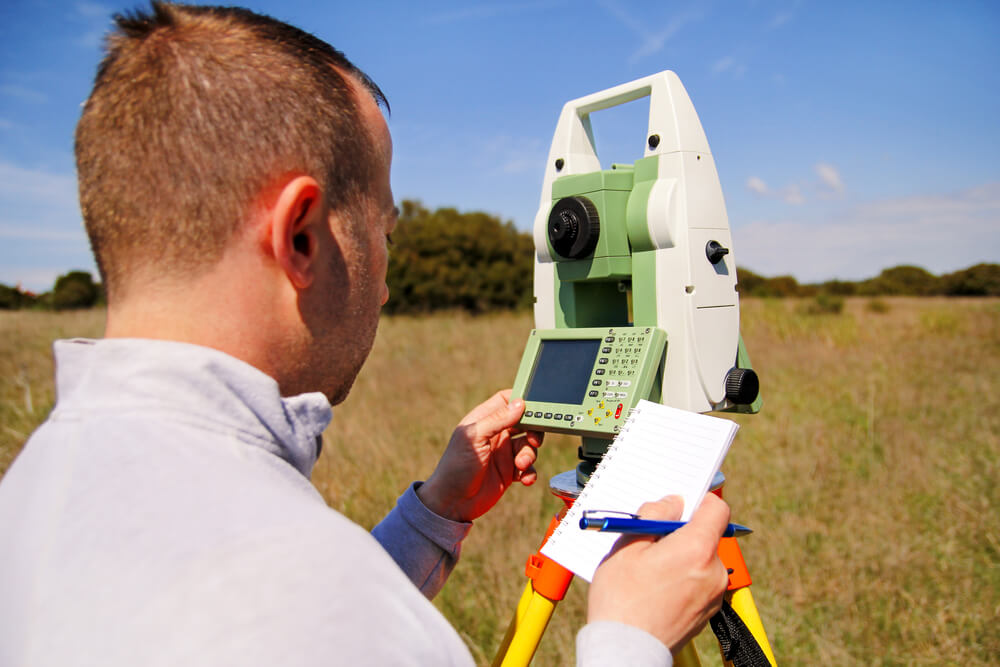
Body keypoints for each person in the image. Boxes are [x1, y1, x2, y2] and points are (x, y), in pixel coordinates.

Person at [0, 3, 731, 666]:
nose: (384, 284)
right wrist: (628, 640)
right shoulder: (330, 606)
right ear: (302, 235)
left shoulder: (34, 492)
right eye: (382, 229)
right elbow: (325, 620)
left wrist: (436, 511)